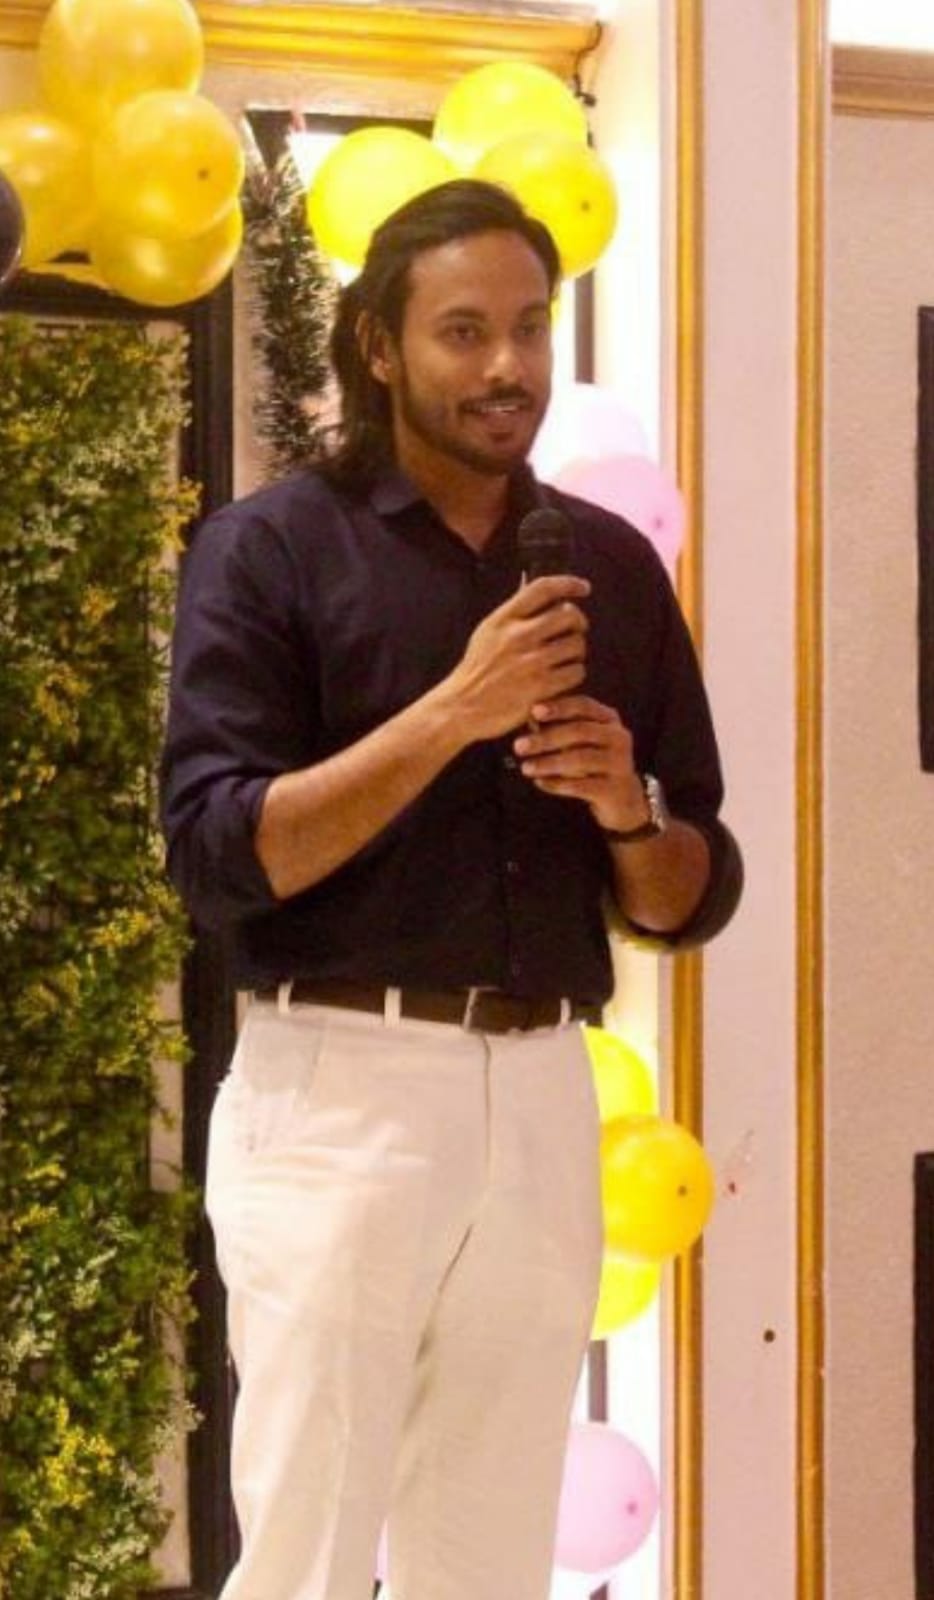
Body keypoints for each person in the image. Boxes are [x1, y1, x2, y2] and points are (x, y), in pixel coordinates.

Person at [161, 177, 742, 1600]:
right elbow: (219, 854)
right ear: (379, 345)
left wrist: (626, 810)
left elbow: (694, 889)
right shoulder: (271, 549)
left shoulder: (609, 567)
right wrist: (451, 714)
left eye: (530, 328)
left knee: (486, 1560)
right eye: (464, 331)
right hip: (337, 1093)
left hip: (542, 1095)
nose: (507, 368)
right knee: (303, 1553)